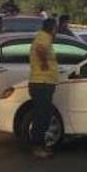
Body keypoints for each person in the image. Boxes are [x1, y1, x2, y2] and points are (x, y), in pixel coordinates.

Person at [28, 18, 60, 159]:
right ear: (52, 28)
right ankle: (37, 147)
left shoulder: (44, 38)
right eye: (56, 29)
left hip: (45, 83)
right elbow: (40, 49)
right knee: (41, 116)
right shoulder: (43, 37)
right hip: (41, 83)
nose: (56, 32)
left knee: (45, 115)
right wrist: (45, 63)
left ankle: (41, 145)